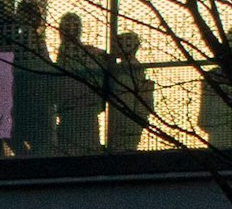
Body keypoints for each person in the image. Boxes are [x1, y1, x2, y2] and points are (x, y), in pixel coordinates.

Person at [50, 13, 107, 158]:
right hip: (74, 110)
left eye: (73, 26)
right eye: (67, 26)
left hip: (78, 109)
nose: (70, 30)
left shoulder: (85, 53)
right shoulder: (82, 52)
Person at [103, 29, 159, 153]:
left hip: (129, 112)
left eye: (127, 45)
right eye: (120, 44)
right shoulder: (118, 69)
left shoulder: (133, 69)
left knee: (126, 143)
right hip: (122, 112)